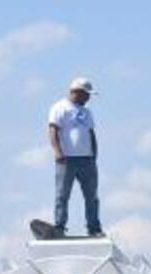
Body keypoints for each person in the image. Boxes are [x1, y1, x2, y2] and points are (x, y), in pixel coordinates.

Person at [49, 77, 102, 238]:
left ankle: (94, 228)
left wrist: (94, 154)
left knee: (92, 196)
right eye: (86, 94)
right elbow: (53, 130)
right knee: (62, 195)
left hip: (87, 160)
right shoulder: (59, 107)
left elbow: (90, 132)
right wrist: (57, 152)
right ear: (77, 92)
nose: (88, 97)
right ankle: (59, 226)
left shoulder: (87, 112)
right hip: (67, 159)